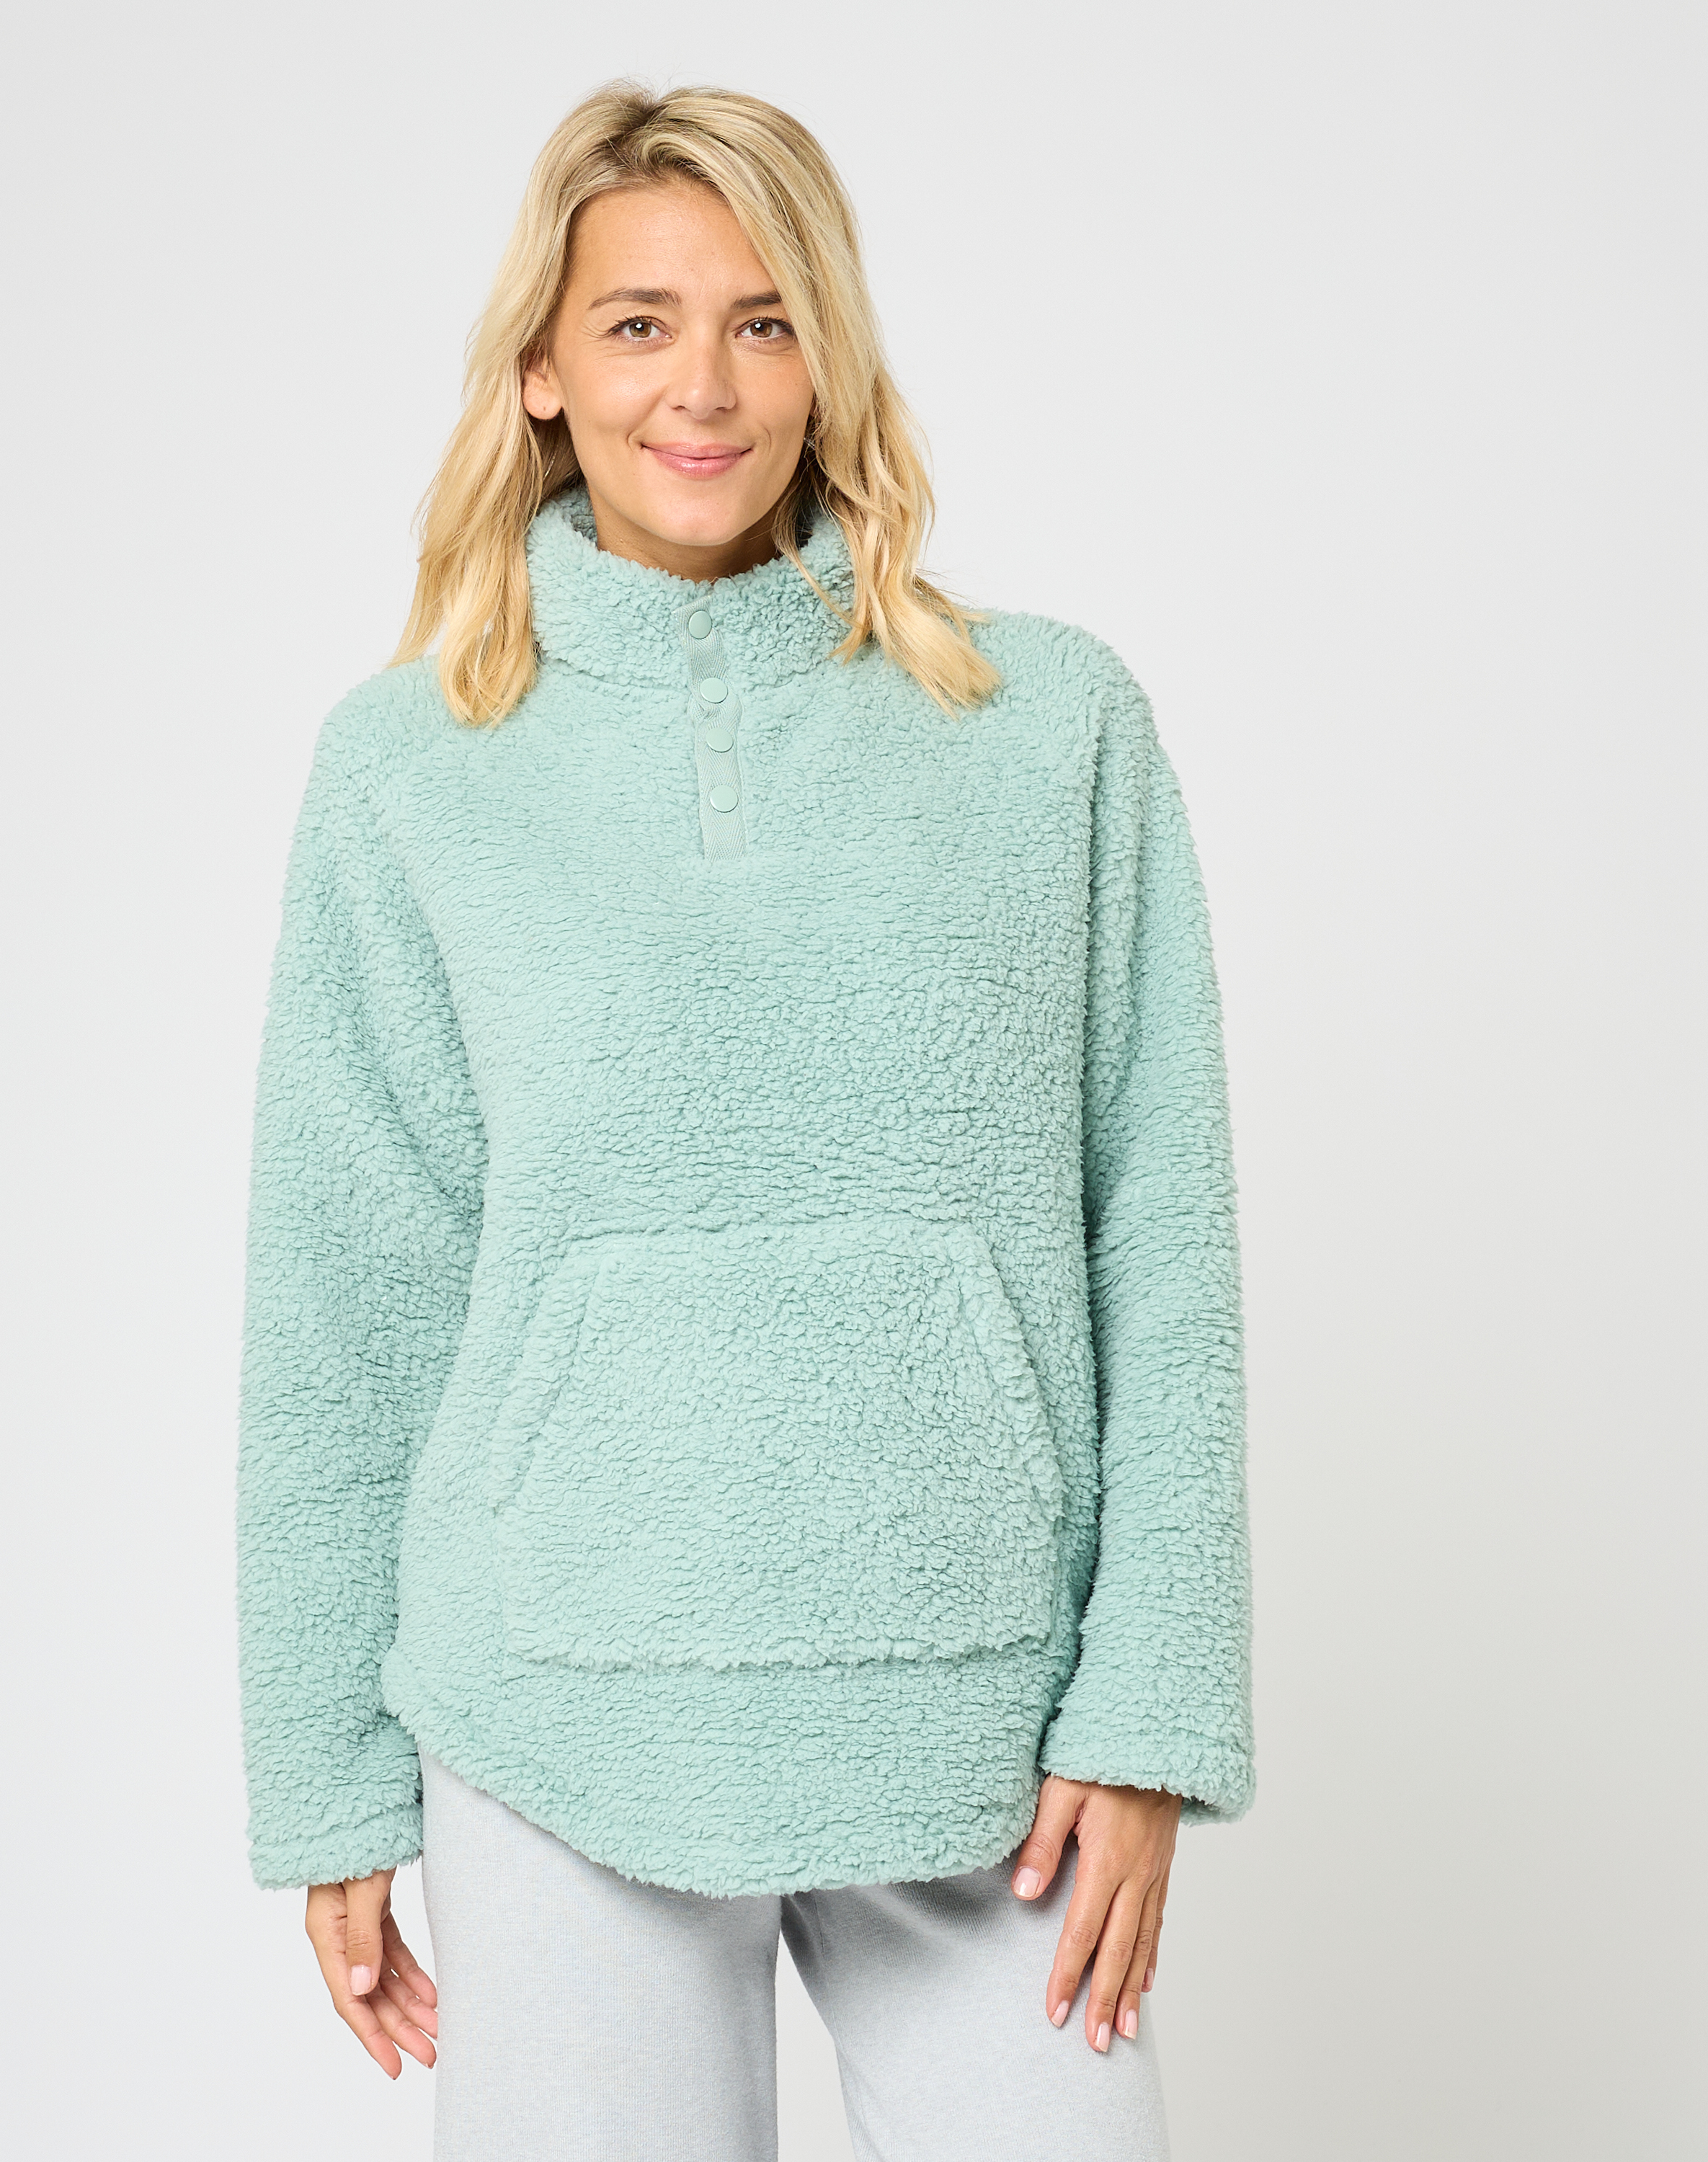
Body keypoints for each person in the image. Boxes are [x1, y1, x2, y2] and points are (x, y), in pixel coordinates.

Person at [235, 79, 1253, 2161]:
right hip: (558, 1704)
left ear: (829, 358)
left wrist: (1153, 1704)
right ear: (542, 365)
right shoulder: (411, 771)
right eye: (639, 323)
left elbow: (1163, 1234)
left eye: (765, 321)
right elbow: (349, 1298)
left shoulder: (1050, 726)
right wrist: (328, 1777)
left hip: (987, 1719)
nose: (703, 385)